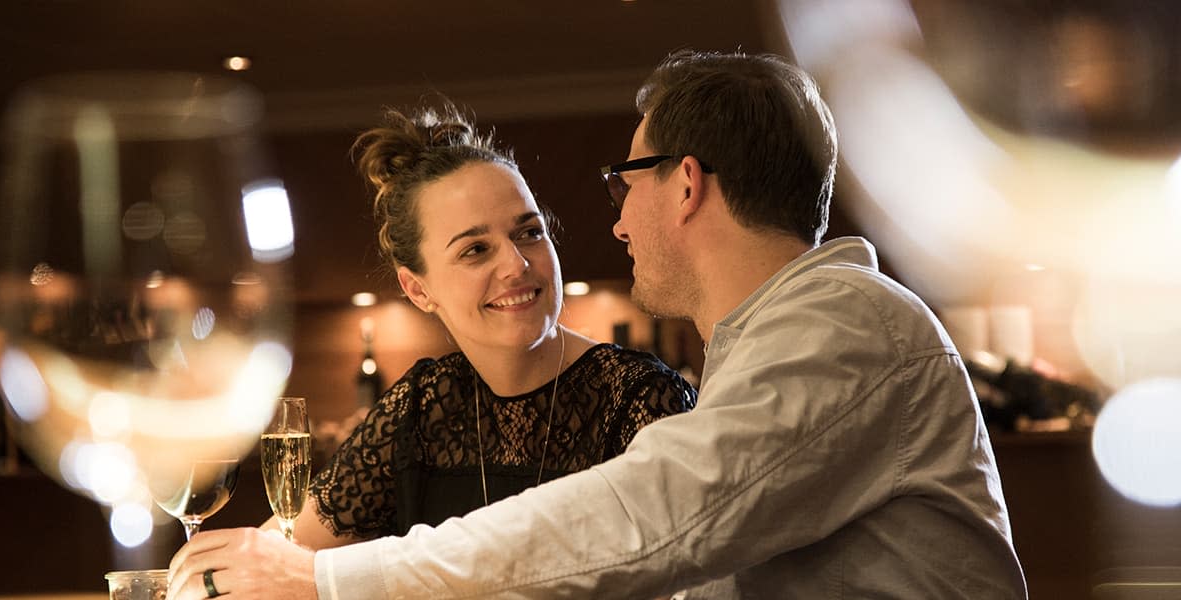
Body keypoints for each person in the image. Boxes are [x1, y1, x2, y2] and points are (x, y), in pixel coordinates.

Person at [168, 51, 1027, 599]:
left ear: (685, 184)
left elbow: (647, 519)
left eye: (627, 180)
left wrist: (326, 581)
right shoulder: (778, 340)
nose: (616, 221)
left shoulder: (842, 328)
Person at [164, 103, 695, 599]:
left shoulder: (643, 399)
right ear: (418, 289)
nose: (516, 264)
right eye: (475, 249)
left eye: (529, 232)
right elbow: (280, 554)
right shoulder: (423, 405)